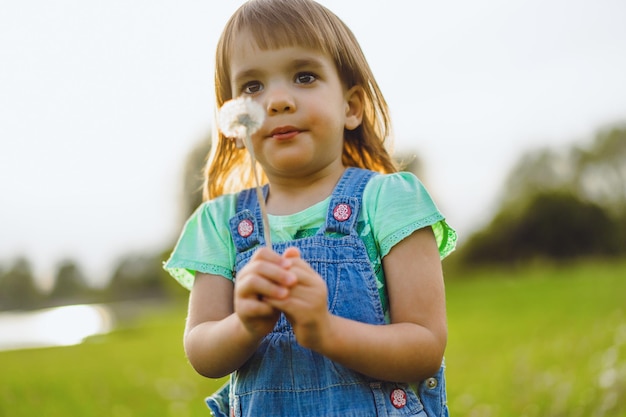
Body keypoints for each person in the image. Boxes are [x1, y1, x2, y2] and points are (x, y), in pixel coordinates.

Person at [164, 0, 457, 415]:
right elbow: (201, 351)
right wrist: (243, 326)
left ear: (351, 107)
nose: (278, 100)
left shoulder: (388, 201)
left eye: (304, 76)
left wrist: (326, 331)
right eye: (252, 87)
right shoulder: (219, 222)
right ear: (232, 119)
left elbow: (425, 345)